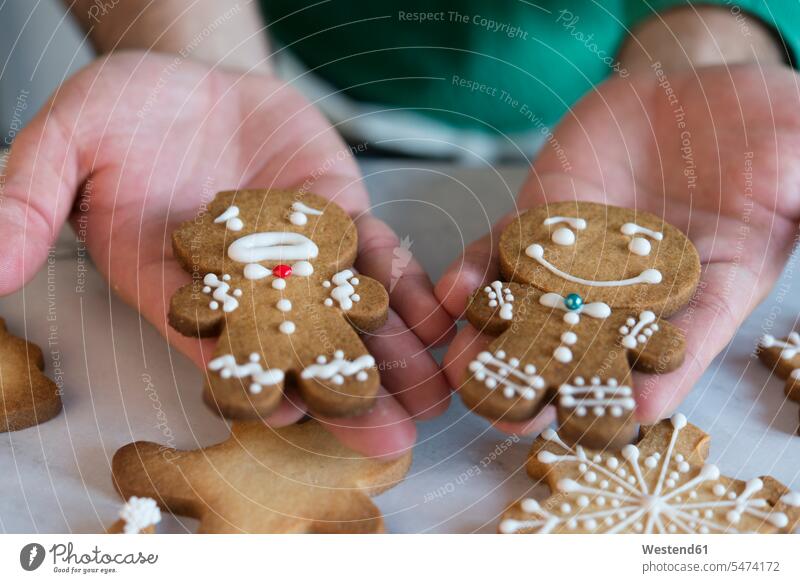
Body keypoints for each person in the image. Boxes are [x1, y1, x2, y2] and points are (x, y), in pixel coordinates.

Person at [1, 1, 798, 457]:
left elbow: (647, 342)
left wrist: (715, 55)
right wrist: (182, 45)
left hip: (619, 101)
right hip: (289, 78)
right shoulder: (240, 270)